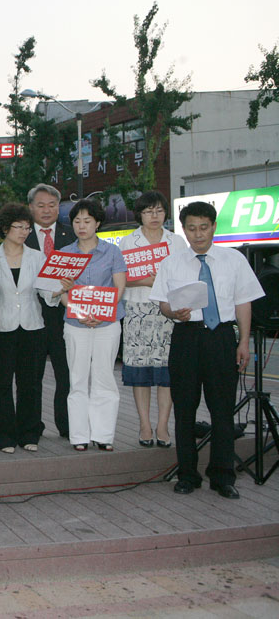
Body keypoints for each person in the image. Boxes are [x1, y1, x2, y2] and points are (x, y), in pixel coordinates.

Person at [151, 201, 264, 500]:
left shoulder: (234, 260)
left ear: (214, 226)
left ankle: (222, 476)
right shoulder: (172, 263)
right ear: (183, 229)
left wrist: (243, 343)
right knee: (185, 409)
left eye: (203, 227)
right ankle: (188, 474)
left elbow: (243, 302)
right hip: (186, 338)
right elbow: (162, 302)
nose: (197, 234)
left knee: (222, 410)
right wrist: (174, 313)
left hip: (222, 338)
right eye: (191, 228)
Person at [55, 198, 126, 452]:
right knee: (77, 378)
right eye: (77, 221)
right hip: (76, 323)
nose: (81, 226)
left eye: (87, 221)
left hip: (107, 323)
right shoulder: (64, 254)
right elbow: (61, 290)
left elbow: (119, 287)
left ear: (97, 223)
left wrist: (102, 312)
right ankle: (79, 436)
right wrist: (77, 310)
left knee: (105, 377)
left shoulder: (112, 252)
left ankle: (104, 434)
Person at [119, 191, 186, 448]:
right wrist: (146, 280)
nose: (154, 216)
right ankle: (145, 424)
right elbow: (120, 279)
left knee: (167, 371)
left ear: (165, 213)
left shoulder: (176, 242)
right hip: (138, 308)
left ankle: (163, 425)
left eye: (158, 210)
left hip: (169, 310)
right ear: (140, 215)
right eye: (148, 211)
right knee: (140, 371)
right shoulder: (127, 243)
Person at [0, 203, 56, 454]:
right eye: (19, 227)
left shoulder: (37, 257)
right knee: (1, 384)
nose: (24, 232)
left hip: (32, 326)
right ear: (5, 228)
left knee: (31, 384)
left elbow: (48, 295)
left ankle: (30, 432)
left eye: (28, 228)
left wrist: (61, 288)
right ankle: (4, 436)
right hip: (1, 327)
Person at [24, 183, 75, 439]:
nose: (47, 210)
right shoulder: (21, 237)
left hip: (63, 317)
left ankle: (66, 426)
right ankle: (32, 426)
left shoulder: (72, 236)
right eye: (41, 205)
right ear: (31, 207)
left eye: (52, 205)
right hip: (31, 313)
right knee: (32, 376)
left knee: (65, 374)